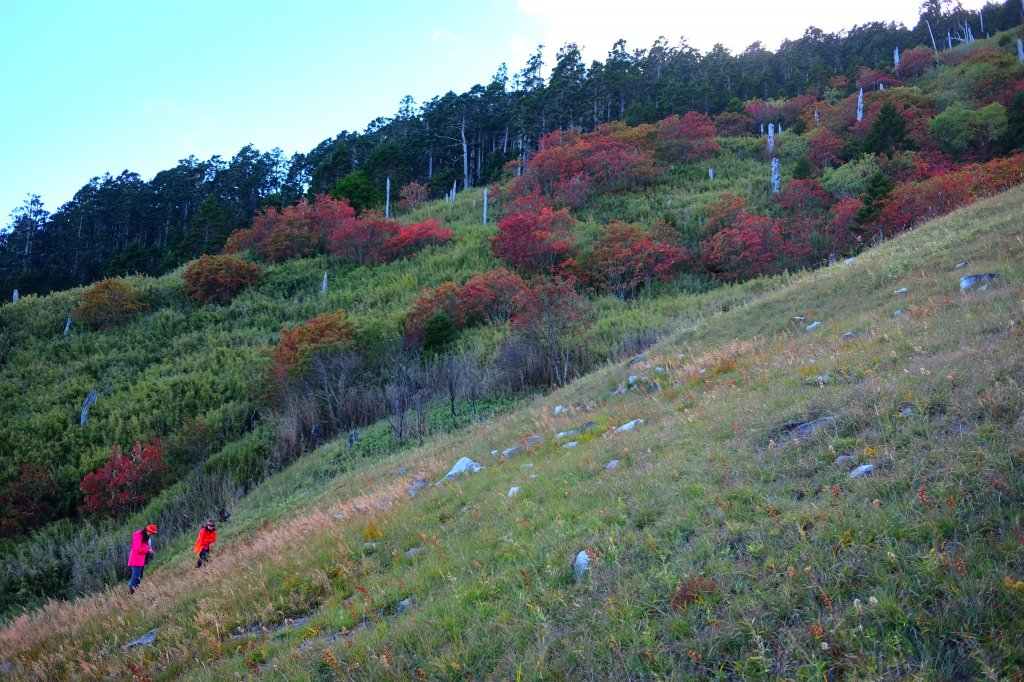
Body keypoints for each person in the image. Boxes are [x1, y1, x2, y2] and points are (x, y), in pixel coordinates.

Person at [128, 524, 157, 594]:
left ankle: (136, 590)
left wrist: (149, 549)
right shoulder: (138, 536)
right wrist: (147, 550)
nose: (152, 535)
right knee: (135, 576)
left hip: (141, 560)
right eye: (152, 533)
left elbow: (147, 545)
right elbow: (137, 548)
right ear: (149, 531)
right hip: (136, 560)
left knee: (139, 576)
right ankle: (131, 592)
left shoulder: (146, 536)